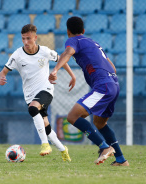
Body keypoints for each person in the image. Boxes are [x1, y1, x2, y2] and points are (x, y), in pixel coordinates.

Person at [49, 16, 129, 166]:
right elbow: (113, 68)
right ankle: (121, 160)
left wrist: (55, 70)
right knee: (99, 123)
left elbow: (67, 53)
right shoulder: (93, 42)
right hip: (114, 84)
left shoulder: (74, 40)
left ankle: (104, 147)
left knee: (73, 117)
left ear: (68, 32)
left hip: (103, 86)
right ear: (84, 31)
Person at [0, 24, 76, 161]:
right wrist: (1, 77)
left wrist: (72, 76)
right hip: (29, 94)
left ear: (35, 37)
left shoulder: (44, 51)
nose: (26, 42)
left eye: (28, 38)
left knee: (33, 108)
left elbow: (62, 59)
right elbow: (3, 72)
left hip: (46, 90)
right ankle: (63, 149)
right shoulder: (17, 55)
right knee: (46, 126)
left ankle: (45, 144)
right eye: (23, 39)